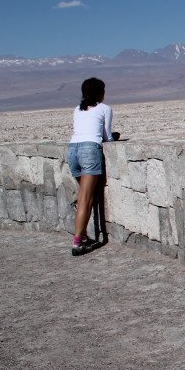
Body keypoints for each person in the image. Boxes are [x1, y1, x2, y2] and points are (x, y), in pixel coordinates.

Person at [67, 77, 115, 256]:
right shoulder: (105, 108)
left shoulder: (78, 109)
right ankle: (78, 243)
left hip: (73, 150)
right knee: (86, 199)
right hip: (89, 150)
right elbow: (107, 136)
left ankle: (84, 236)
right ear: (100, 93)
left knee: (83, 196)